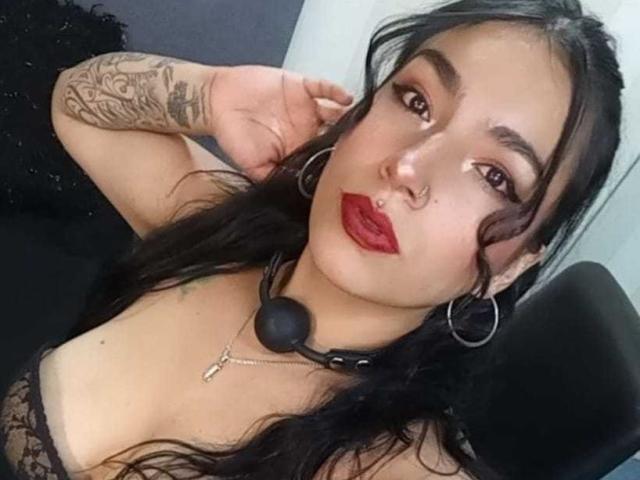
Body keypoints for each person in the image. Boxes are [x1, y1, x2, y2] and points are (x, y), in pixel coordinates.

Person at [0, 0, 624, 478]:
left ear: (513, 268)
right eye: (415, 100)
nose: (408, 167)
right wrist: (211, 94)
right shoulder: (224, 230)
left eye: (494, 176)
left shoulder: (396, 466)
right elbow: (78, 104)